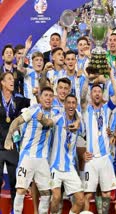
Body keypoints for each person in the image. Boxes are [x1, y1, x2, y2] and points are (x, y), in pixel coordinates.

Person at [4, 87, 59, 214]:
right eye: (46, 95)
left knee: (46, 193)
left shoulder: (55, 112)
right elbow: (16, 121)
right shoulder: (33, 110)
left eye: (51, 96)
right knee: (21, 190)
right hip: (27, 157)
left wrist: (43, 120)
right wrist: (8, 138)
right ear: (40, 97)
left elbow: (49, 123)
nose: (48, 98)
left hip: (43, 159)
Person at [37, 94, 84, 214]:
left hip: (69, 168)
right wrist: (42, 119)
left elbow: (82, 123)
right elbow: (48, 122)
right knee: (56, 197)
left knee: (80, 201)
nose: (71, 105)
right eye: (69, 103)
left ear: (76, 105)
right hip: (55, 167)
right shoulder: (58, 118)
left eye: (74, 103)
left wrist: (78, 121)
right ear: (65, 105)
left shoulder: (79, 123)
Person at [81, 68, 116, 213]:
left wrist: (111, 74)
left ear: (101, 94)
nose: (97, 93)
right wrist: (87, 78)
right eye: (94, 91)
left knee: (105, 193)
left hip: (105, 158)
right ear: (91, 95)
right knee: (88, 193)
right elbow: (82, 95)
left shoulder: (106, 108)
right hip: (90, 159)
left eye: (99, 91)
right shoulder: (86, 109)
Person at [0, 72, 30, 210]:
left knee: (14, 181)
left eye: (13, 79)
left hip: (12, 146)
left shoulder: (18, 100)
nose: (12, 81)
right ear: (2, 83)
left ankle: (14, 211)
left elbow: (35, 102)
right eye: (9, 79)